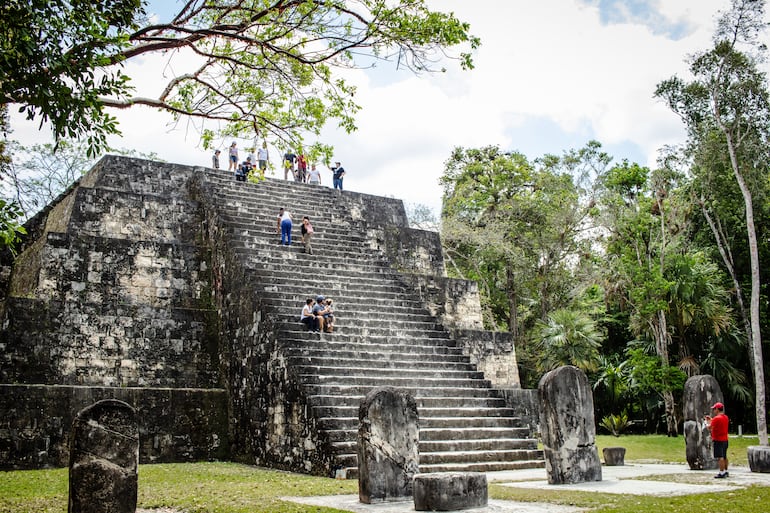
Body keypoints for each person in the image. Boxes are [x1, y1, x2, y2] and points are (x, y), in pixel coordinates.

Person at [706, 401, 729, 478]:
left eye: (714, 409)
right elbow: (717, 423)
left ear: (717, 409)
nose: (713, 411)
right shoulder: (725, 417)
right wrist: (711, 420)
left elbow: (710, 427)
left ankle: (721, 472)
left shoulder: (716, 419)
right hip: (725, 439)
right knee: (725, 456)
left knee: (720, 457)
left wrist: (707, 423)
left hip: (718, 439)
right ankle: (726, 471)